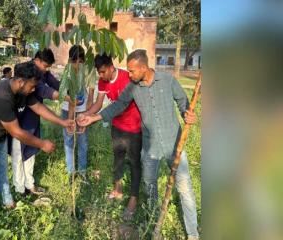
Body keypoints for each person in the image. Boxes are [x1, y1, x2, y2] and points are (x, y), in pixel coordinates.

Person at [77, 49, 199, 239]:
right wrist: (93, 118)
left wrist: (188, 115)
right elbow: (118, 105)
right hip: (151, 148)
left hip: (175, 144)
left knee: (185, 188)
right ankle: (154, 220)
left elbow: (183, 103)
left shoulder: (168, 81)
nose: (129, 74)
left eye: (132, 71)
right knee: (150, 186)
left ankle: (193, 234)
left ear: (143, 67)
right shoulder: (133, 87)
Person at [0, 61, 74, 228]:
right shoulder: (2, 96)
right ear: (21, 81)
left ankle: (8, 203)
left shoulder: (23, 90)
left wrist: (63, 122)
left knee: (1, 172)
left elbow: (38, 107)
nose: (33, 90)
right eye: (32, 86)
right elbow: (16, 132)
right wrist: (42, 143)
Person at [83, 53, 142, 220]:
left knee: (134, 163)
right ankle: (117, 190)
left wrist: (94, 118)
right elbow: (98, 104)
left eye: (103, 72)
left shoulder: (126, 78)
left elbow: (120, 106)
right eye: (99, 73)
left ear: (111, 67)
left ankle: (133, 200)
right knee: (118, 159)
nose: (101, 76)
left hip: (134, 128)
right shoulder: (103, 81)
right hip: (116, 126)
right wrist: (85, 115)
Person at [10, 48, 63, 196]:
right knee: (18, 154)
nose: (46, 70)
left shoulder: (44, 72)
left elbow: (55, 84)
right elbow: (43, 91)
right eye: (45, 66)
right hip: (19, 118)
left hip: (34, 117)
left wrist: (66, 89)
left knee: (31, 151)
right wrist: (62, 97)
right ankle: (20, 189)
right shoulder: (26, 71)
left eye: (48, 67)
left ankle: (30, 185)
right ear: (37, 60)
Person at [61, 45, 95, 180]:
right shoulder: (67, 71)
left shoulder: (90, 71)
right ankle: (71, 172)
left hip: (83, 111)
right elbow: (70, 100)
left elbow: (91, 97)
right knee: (68, 139)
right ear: (70, 61)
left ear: (84, 61)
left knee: (83, 141)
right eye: (74, 62)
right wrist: (70, 121)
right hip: (67, 109)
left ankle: (82, 172)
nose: (77, 65)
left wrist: (86, 117)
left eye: (80, 62)